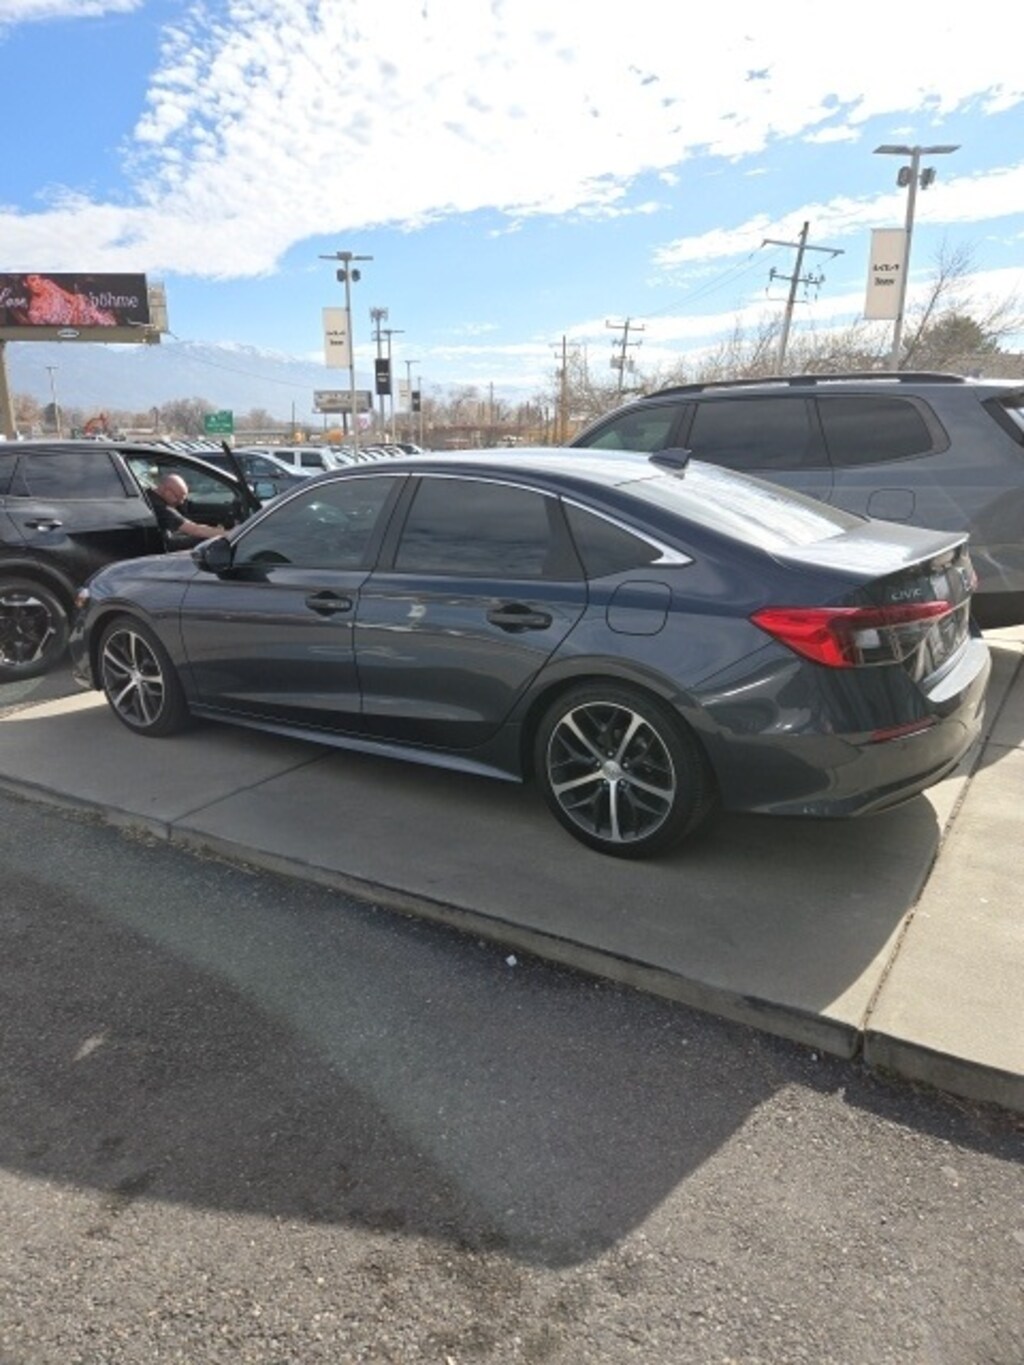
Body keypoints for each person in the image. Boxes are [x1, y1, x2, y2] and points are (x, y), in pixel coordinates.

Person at [147, 473, 228, 548]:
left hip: (162, 538)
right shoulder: (161, 508)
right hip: (163, 547)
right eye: (179, 498)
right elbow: (196, 530)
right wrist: (228, 534)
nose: (181, 503)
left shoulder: (149, 495)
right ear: (168, 492)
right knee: (208, 540)